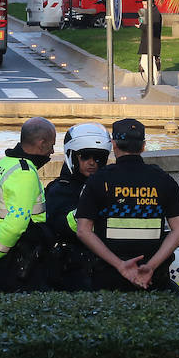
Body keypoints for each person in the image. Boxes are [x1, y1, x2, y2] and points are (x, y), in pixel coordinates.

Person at [76, 118, 179, 292]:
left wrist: (120, 265)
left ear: (114, 145)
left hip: (108, 276)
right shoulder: (163, 179)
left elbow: (83, 230)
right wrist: (150, 266)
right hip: (152, 278)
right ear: (143, 146)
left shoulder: (98, 180)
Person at [0, 117, 57, 293]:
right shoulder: (24, 173)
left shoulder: (1, 165)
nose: (53, 151)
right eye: (51, 145)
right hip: (19, 257)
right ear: (41, 144)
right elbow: (16, 223)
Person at [44, 123, 111, 292]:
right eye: (86, 156)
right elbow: (61, 226)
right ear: (72, 156)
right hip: (69, 271)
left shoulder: (108, 186)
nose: (92, 163)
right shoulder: (59, 189)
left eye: (98, 158)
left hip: (101, 266)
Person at [137, 0, 164, 87]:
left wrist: (142, 26)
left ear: (150, 4)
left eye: (145, 5)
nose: (144, 7)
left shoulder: (155, 14)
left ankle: (153, 81)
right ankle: (152, 81)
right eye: (143, 5)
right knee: (146, 62)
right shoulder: (151, 13)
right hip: (149, 42)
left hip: (152, 42)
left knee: (147, 63)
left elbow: (152, 28)